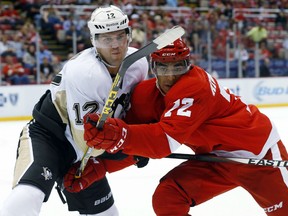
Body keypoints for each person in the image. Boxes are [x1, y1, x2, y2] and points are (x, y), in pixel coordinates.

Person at [82, 38, 288, 215]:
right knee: (169, 198)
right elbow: (137, 146)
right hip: (215, 159)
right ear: (153, 68)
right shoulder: (145, 96)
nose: (171, 76)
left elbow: (162, 142)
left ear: (188, 65)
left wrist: (118, 135)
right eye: (163, 67)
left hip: (259, 155)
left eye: (178, 67)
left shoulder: (195, 87)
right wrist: (103, 166)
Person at [0, 5, 148, 216]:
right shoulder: (86, 73)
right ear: (94, 41)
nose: (115, 46)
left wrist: (140, 141)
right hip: (50, 138)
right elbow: (88, 142)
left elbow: (130, 113)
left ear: (129, 35)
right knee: (27, 198)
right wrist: (128, 150)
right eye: (107, 39)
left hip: (85, 152)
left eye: (120, 36)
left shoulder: (138, 63)